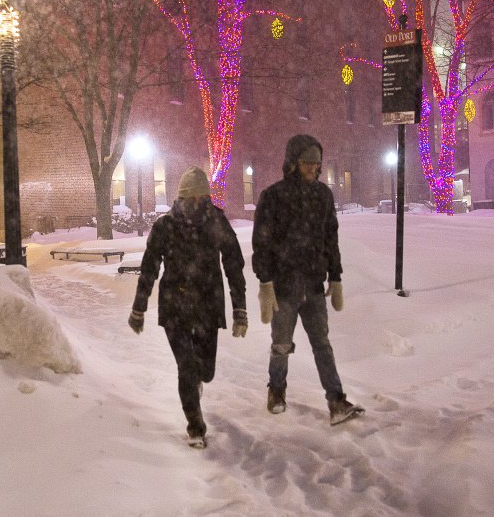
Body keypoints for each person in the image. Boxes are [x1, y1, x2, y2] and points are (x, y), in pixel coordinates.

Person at [128, 166, 248, 448]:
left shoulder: (215, 221)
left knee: (205, 371)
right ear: (181, 198)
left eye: (200, 199)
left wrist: (239, 308)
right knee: (186, 367)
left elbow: (234, 265)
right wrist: (139, 308)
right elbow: (149, 268)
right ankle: (196, 427)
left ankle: (197, 382)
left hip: (208, 306)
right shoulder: (165, 226)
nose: (195, 204)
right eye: (189, 199)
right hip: (175, 307)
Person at [251, 134, 363, 426]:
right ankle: (276, 391)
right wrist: (265, 283)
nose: (313, 169)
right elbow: (261, 244)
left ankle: (336, 400)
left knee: (322, 344)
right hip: (284, 286)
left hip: (313, 284)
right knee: (281, 345)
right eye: (307, 163)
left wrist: (335, 277)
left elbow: (330, 238)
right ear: (293, 163)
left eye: (316, 163)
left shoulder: (322, 196)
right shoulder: (273, 197)